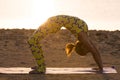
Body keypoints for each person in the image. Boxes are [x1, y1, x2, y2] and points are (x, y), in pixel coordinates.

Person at [28, 15, 103, 74]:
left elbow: (95, 50)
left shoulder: (84, 35)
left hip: (54, 21)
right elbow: (94, 51)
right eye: (87, 50)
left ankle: (41, 66)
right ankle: (41, 67)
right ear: (83, 47)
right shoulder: (83, 37)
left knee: (33, 40)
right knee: (32, 41)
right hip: (54, 22)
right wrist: (101, 69)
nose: (89, 49)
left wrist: (100, 68)